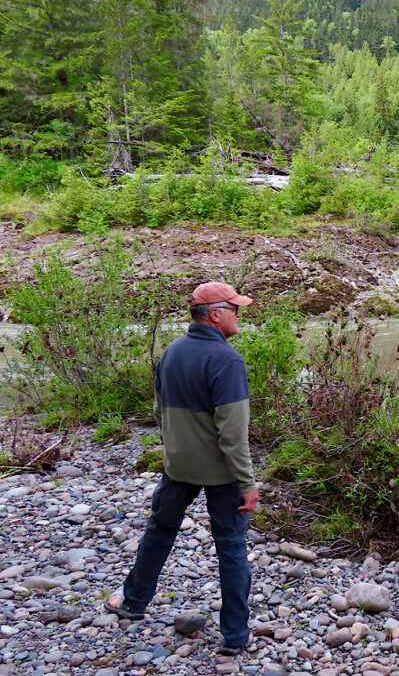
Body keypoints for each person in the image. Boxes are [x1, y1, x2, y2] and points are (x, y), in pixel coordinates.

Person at [106, 281, 258, 656]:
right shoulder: (228, 361)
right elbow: (233, 435)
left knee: (159, 531)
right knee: (231, 547)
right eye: (236, 309)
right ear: (216, 314)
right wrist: (248, 483)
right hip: (223, 475)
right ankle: (236, 637)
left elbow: (159, 413)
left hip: (177, 467)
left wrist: (178, 449)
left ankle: (133, 603)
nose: (240, 315)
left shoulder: (171, 351)